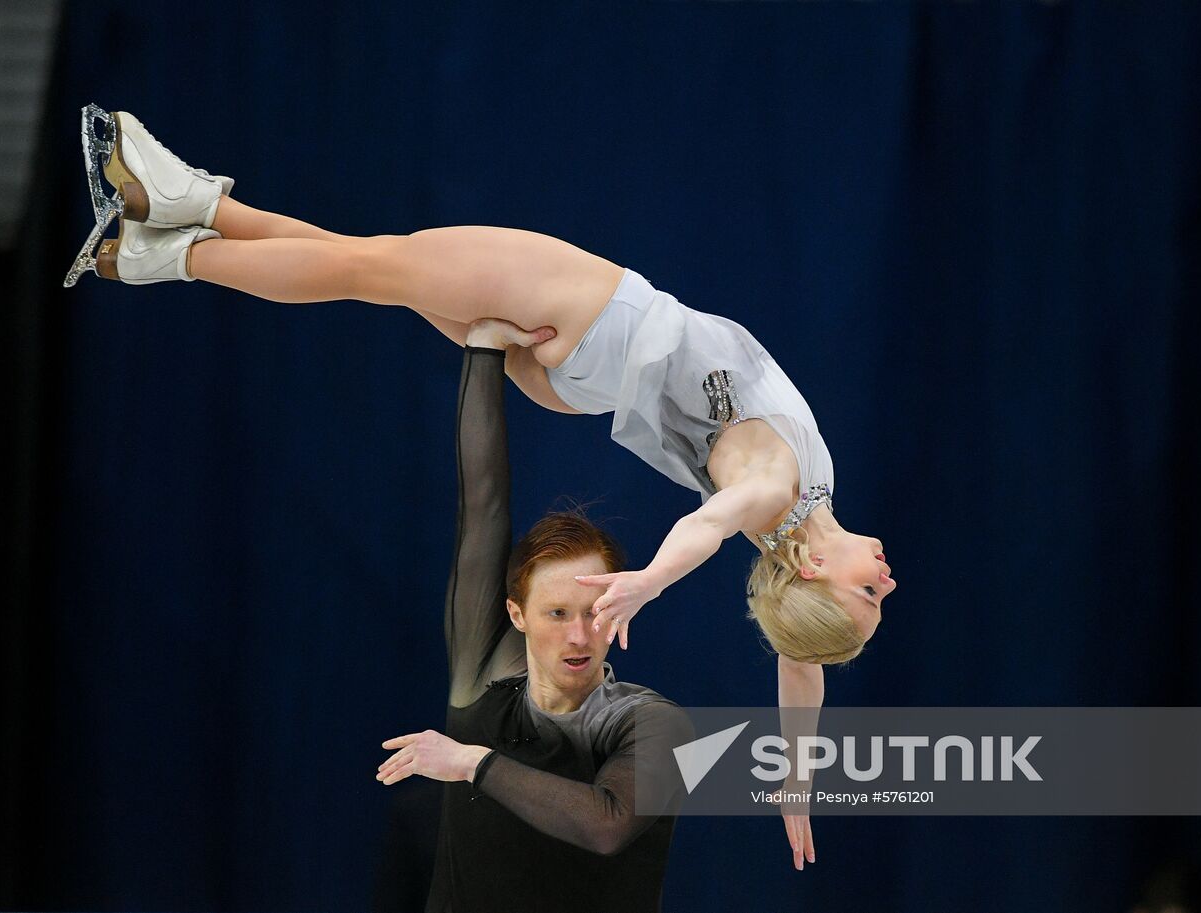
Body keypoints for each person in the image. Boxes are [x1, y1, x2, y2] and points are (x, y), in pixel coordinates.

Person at [78, 109, 900, 865]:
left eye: (871, 592)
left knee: (369, 264)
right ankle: (181, 212)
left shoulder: (774, 490)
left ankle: (172, 248)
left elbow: (708, 524)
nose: (887, 580)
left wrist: (647, 581)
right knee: (375, 268)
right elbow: (802, 668)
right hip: (581, 374)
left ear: (820, 575)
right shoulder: (801, 523)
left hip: (596, 316)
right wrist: (797, 779)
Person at [376, 318, 691, 912]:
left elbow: (607, 824)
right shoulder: (484, 672)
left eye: (594, 610)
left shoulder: (656, 725)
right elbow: (483, 505)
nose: (579, 635)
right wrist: (484, 347)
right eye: (555, 613)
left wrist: (473, 762)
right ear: (515, 615)